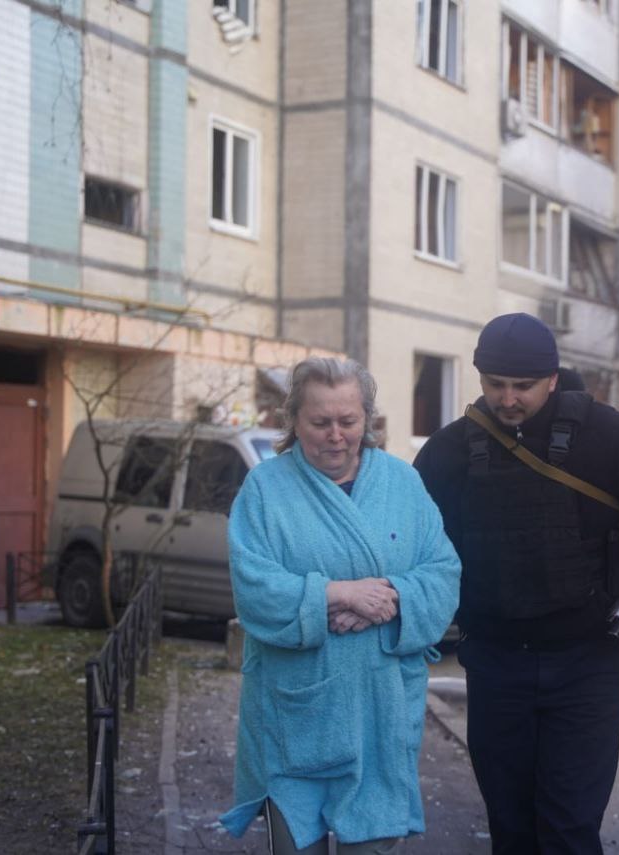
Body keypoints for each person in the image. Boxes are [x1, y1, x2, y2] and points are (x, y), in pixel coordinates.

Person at [414, 313, 619, 854]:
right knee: (511, 827)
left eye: (522, 386)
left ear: (551, 378)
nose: (507, 399)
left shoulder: (608, 435)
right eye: (494, 384)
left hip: (586, 664)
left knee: (569, 828)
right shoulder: (452, 449)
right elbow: (409, 539)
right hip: (497, 664)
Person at [220, 357, 461, 855]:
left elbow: (443, 572)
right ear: (294, 421)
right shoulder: (266, 490)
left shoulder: (403, 484)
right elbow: (254, 587)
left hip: (381, 710)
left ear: (367, 419)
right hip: (295, 713)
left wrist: (391, 597)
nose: (335, 435)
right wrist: (338, 594)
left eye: (348, 422)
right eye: (320, 422)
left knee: (375, 841)